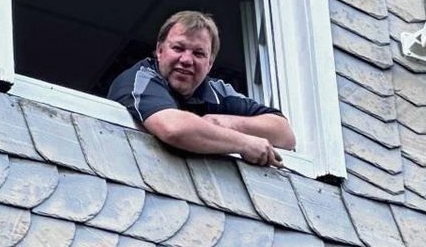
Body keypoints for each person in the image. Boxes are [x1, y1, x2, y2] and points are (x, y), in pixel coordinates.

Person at [108, 11, 296, 167]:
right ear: (159, 50)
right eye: (178, 48)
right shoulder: (139, 80)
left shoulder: (217, 91)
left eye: (198, 53)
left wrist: (223, 122)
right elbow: (174, 128)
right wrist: (245, 143)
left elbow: (284, 134)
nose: (187, 60)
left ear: (210, 63)